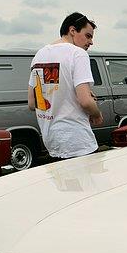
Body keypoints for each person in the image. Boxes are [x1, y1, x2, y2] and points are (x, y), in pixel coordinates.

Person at [27, 11, 104, 162]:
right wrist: (96, 114)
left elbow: (32, 103)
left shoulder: (40, 55)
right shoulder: (78, 54)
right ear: (72, 30)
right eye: (88, 36)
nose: (91, 42)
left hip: (52, 142)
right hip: (78, 142)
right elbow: (86, 102)